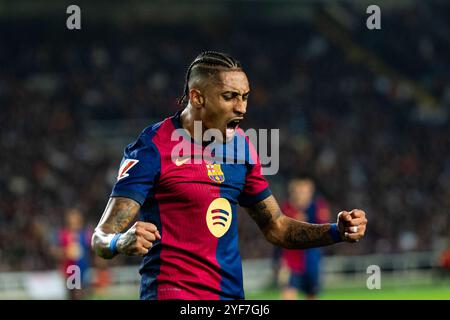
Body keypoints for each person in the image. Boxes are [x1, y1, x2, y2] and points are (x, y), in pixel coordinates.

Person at [91, 51, 367, 300]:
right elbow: (101, 237)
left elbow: (277, 228)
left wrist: (336, 231)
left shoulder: (242, 147)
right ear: (197, 97)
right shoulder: (153, 147)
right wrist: (120, 240)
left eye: (245, 97)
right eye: (229, 96)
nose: (242, 108)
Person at [279, 177, 330, 300]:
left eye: (305, 191)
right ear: (293, 191)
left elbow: (324, 231)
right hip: (291, 260)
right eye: (299, 190)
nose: (302, 194)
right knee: (288, 292)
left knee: (312, 294)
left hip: (312, 259)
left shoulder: (318, 207)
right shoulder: (285, 208)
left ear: (310, 191)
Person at [52, 208, 92, 300]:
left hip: (83, 268)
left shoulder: (85, 234)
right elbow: (55, 250)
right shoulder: (63, 234)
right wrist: (64, 252)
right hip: (69, 268)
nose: (74, 223)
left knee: (80, 292)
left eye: (76, 221)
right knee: (73, 293)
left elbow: (91, 249)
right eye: (72, 221)